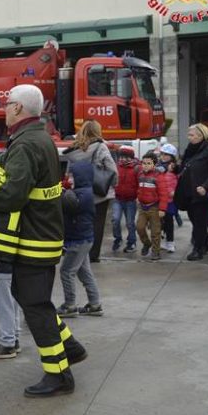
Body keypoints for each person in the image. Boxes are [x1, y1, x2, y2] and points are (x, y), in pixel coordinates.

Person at [0, 84, 87, 398]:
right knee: (30, 297)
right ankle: (70, 347)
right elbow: (10, 168)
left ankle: (59, 375)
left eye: (7, 102)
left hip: (35, 238)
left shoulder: (26, 143)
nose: (4, 107)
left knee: (35, 305)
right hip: (43, 234)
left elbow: (12, 195)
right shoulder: (33, 138)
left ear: (17, 108)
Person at [63, 120, 118, 263]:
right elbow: (112, 170)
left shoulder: (74, 148)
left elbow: (68, 174)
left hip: (80, 192)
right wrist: (113, 183)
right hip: (100, 193)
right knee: (98, 224)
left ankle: (80, 252)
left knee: (81, 222)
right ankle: (93, 254)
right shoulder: (101, 147)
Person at [57, 161, 103, 317]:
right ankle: (95, 304)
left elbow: (69, 204)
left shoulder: (83, 195)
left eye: (72, 176)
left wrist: (61, 193)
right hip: (83, 238)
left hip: (79, 239)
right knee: (84, 272)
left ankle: (69, 305)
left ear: (81, 177)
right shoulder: (84, 191)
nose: (70, 179)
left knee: (66, 271)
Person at [174, 123, 208, 261]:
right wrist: (175, 168)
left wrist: (206, 187)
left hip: (201, 194)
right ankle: (207, 244)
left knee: (200, 222)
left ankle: (198, 249)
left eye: (191, 135)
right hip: (188, 193)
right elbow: (184, 168)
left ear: (201, 135)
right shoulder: (191, 150)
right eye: (188, 134)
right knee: (196, 221)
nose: (188, 137)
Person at [136, 153, 169, 261]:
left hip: (154, 208)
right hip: (142, 207)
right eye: (143, 163)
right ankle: (147, 243)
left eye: (148, 163)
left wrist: (162, 209)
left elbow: (164, 193)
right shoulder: (140, 175)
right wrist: (138, 197)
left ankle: (156, 251)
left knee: (155, 231)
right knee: (140, 227)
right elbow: (139, 188)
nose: (145, 165)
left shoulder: (158, 176)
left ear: (154, 164)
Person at [111, 146, 138, 254]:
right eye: (121, 156)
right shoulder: (116, 167)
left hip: (131, 200)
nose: (122, 159)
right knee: (115, 220)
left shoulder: (136, 168)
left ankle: (131, 242)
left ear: (131, 158)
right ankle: (117, 238)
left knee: (130, 223)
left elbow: (139, 184)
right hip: (118, 198)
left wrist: (139, 196)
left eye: (125, 157)